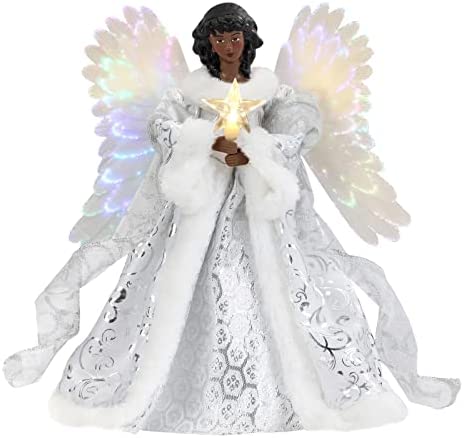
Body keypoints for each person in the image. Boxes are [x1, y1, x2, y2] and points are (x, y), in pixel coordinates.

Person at [3, 2, 460, 434]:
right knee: (175, 285)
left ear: (248, 40)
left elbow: (298, 125)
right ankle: (164, 391)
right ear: (208, 42)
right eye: (219, 38)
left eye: (235, 37)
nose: (228, 45)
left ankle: (290, 395)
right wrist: (205, 143)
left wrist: (259, 149)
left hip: (257, 204)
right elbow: (162, 125)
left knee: (283, 284)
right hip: (200, 204)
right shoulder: (190, 93)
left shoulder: (269, 91)